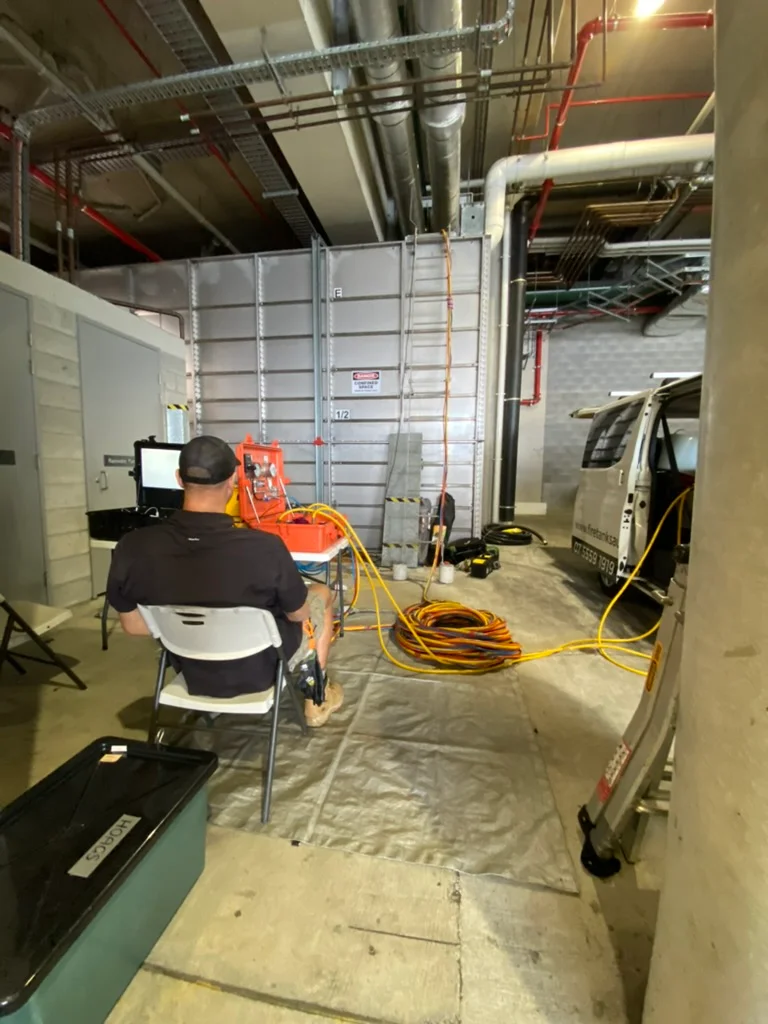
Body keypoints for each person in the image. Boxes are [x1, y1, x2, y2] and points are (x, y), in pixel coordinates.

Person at [106, 435, 343, 728]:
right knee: (321, 592)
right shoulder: (265, 548)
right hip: (262, 667)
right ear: (232, 481)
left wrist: (195, 626)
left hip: (190, 668)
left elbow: (133, 626)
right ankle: (316, 702)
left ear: (179, 478)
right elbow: (298, 614)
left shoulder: (132, 546)